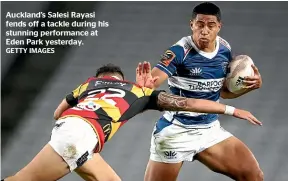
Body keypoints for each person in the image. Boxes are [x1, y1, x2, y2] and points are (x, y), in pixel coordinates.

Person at [2, 62, 261, 181]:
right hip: (83, 136)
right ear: (121, 79)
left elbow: (57, 113)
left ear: (100, 78)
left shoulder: (88, 85)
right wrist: (230, 109)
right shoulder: (138, 91)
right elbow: (188, 103)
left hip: (74, 132)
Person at [144, 2, 264, 181]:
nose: (205, 30)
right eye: (200, 25)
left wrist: (251, 86)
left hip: (209, 130)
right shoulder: (179, 51)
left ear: (219, 27)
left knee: (253, 176)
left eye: (211, 25)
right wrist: (146, 84)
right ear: (192, 24)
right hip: (176, 132)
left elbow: (222, 93)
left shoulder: (224, 49)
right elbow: (152, 81)